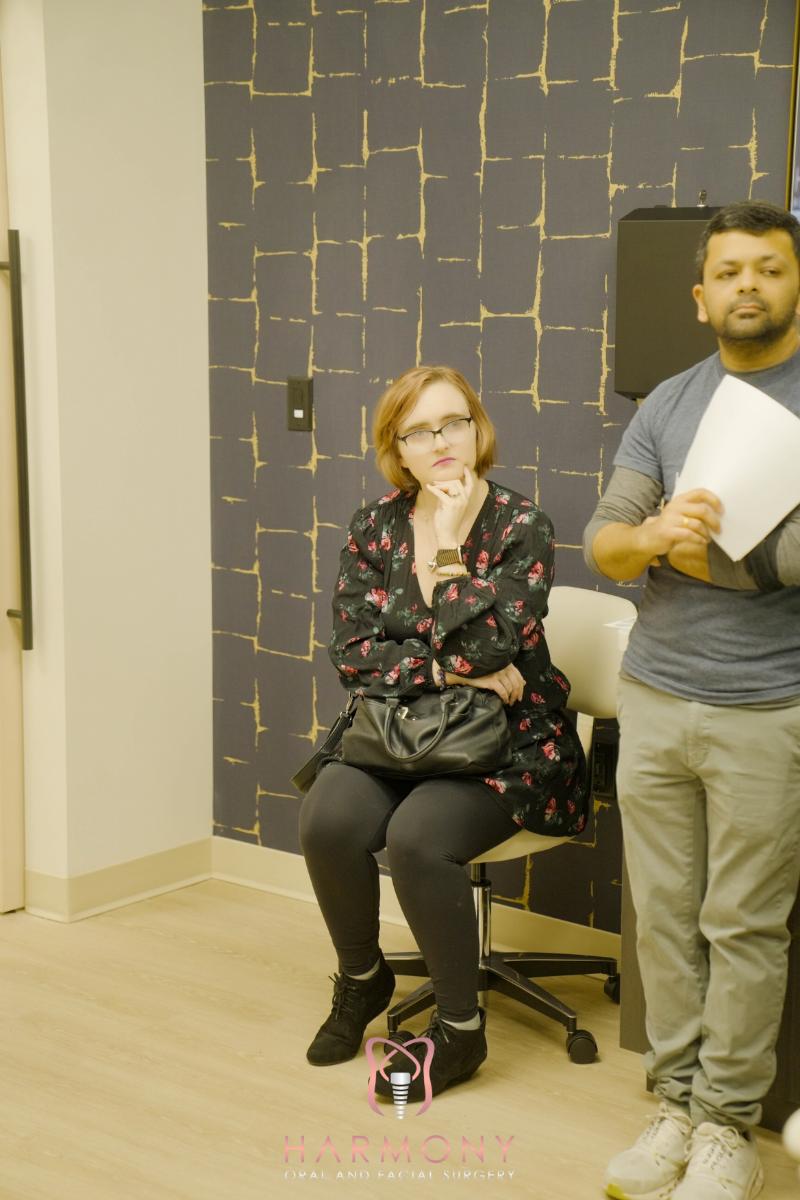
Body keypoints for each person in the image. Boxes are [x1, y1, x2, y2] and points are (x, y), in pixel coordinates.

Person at [584, 200, 800, 1200]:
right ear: (700, 293)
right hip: (655, 698)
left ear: (791, 283)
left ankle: (726, 1131)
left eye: (766, 267)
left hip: (769, 710)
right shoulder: (668, 401)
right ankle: (670, 1109)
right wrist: (656, 535)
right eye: (729, 270)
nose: (746, 284)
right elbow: (604, 541)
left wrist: (709, 558)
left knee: (742, 926)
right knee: (663, 921)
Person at [298, 364, 587, 1099]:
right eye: (420, 431)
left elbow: (486, 651)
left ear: (477, 427)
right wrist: (448, 671)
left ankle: (460, 1031)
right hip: (397, 733)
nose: (441, 442)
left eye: (454, 422)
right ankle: (363, 980)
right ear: (398, 446)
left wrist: (454, 546)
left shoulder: (523, 526)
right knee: (327, 818)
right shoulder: (377, 526)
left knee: (417, 838)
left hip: (510, 743)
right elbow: (355, 654)